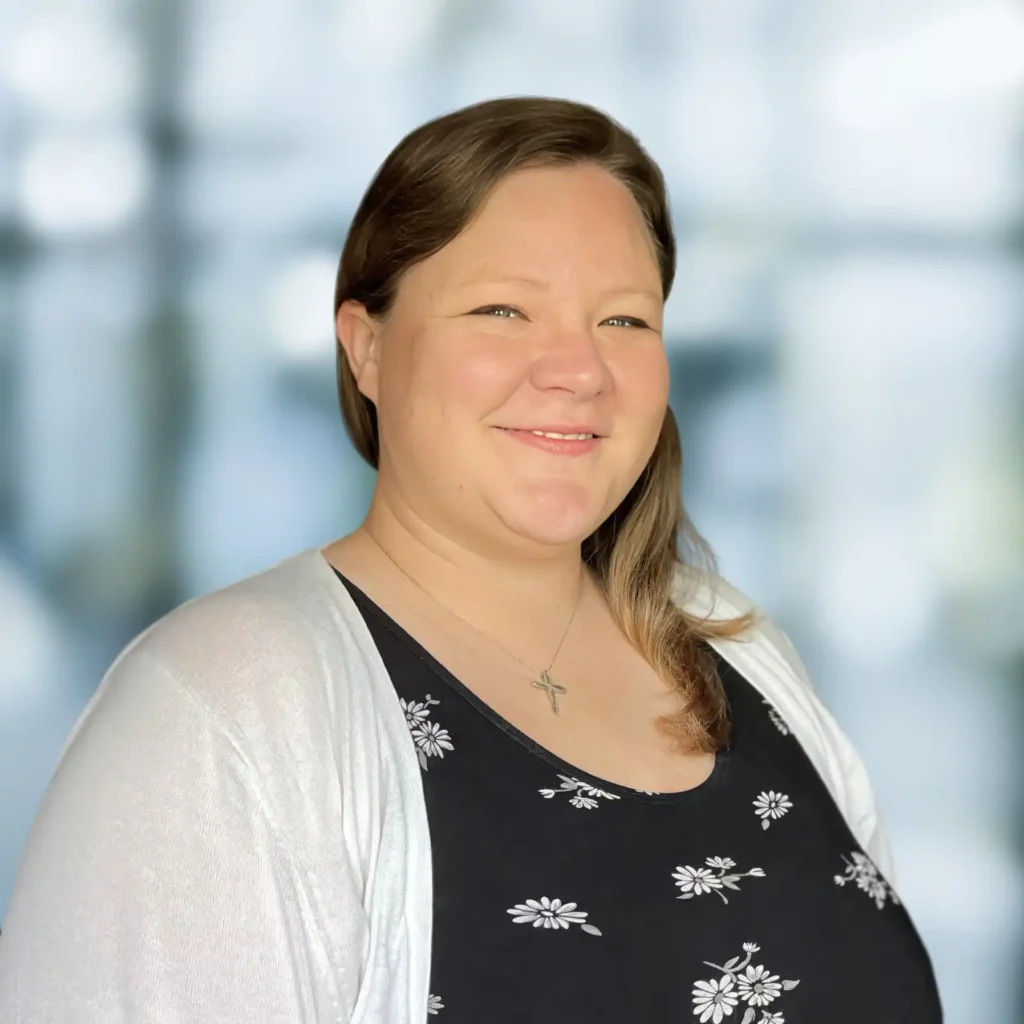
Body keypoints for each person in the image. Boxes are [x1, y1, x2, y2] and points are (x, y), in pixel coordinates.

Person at [0, 96, 942, 1023]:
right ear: (367, 349)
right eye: (502, 310)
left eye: (624, 320)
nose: (578, 369)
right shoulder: (222, 709)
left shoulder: (737, 653)